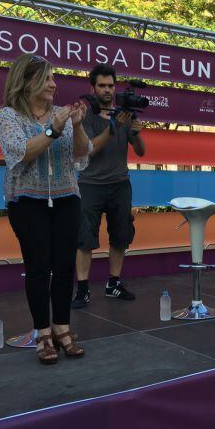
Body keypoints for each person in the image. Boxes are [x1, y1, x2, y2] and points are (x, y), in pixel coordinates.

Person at [0, 54, 89, 364]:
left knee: (64, 266)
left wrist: (75, 127)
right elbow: (21, 153)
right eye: (47, 78)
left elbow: (81, 157)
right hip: (27, 201)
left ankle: (62, 328)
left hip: (67, 197)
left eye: (53, 78)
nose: (54, 83)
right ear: (27, 81)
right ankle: (42, 333)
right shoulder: (9, 116)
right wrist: (51, 131)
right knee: (38, 267)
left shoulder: (62, 114)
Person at [72, 64, 146, 308]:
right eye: (102, 86)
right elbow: (88, 150)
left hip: (120, 184)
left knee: (121, 237)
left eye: (111, 86)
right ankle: (82, 289)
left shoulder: (125, 116)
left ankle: (113, 283)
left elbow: (141, 152)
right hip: (90, 184)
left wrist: (135, 132)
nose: (107, 90)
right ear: (92, 88)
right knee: (84, 239)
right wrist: (113, 129)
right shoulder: (86, 115)